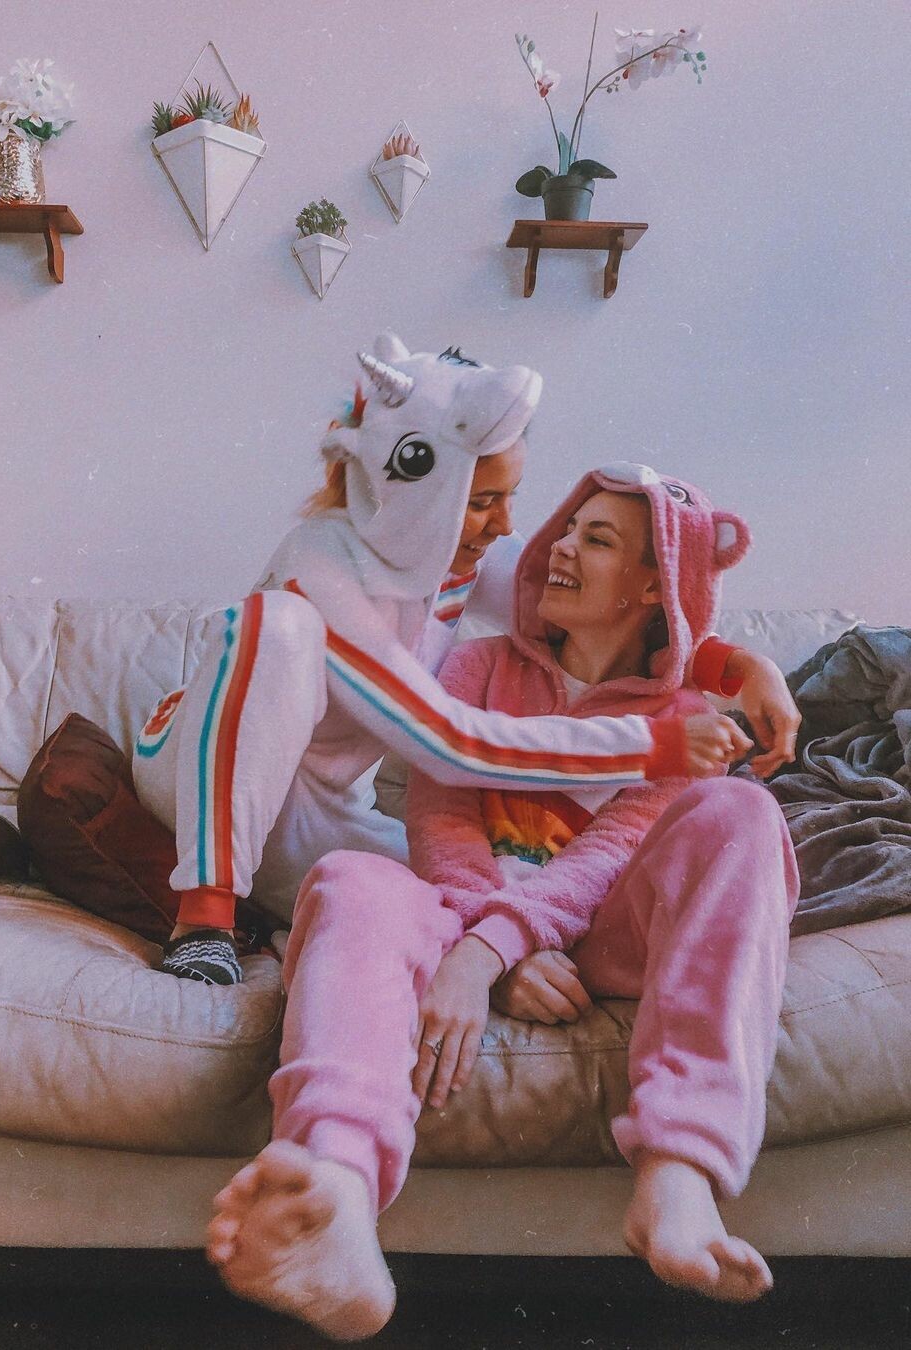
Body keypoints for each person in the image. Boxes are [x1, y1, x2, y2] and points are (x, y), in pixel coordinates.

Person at [205, 462, 799, 1339]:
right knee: (353, 877)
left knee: (743, 811)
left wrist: (489, 955)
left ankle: (681, 1172)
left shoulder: (688, 716)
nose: (559, 547)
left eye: (597, 539)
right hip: (463, 910)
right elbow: (441, 821)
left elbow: (609, 856)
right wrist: (490, 947)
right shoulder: (478, 664)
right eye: (567, 528)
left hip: (606, 935)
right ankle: (333, 1185)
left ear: (653, 584)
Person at [132, 334, 798, 984]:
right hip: (193, 772)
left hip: (323, 809)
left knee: (458, 901)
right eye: (481, 503)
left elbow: (597, 614)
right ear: (423, 489)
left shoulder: (458, 556)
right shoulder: (320, 563)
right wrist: (653, 746)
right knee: (279, 624)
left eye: (510, 497)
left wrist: (742, 670)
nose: (506, 525)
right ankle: (204, 921)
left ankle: (475, 961)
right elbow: (447, 743)